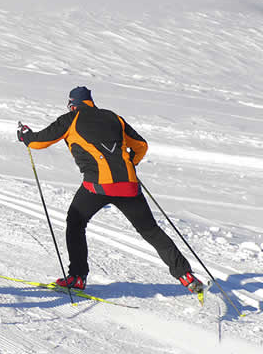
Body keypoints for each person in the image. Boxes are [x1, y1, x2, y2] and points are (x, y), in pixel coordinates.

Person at [17, 86, 204, 295]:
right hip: (129, 185)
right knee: (151, 231)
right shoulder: (115, 118)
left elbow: (38, 142)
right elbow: (141, 145)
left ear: (72, 104)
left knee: (76, 222)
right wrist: (130, 164)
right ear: (90, 101)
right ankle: (186, 275)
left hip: (97, 187)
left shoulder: (71, 119)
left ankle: (77, 277)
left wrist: (25, 135)